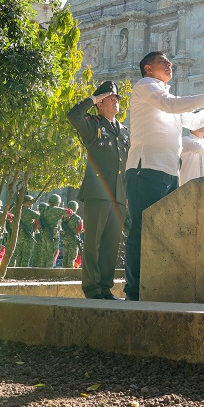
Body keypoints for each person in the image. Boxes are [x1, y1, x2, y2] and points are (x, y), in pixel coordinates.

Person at [124, 51, 204, 301]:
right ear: (148, 68)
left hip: (170, 171)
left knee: (163, 229)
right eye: (163, 61)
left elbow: (191, 121)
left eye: (169, 61)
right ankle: (134, 290)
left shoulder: (165, 94)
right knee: (142, 229)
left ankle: (155, 285)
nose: (169, 64)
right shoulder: (145, 86)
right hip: (146, 168)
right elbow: (170, 105)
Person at [67, 80, 130, 297]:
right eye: (109, 98)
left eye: (116, 98)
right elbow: (73, 115)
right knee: (93, 242)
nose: (115, 101)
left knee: (111, 244)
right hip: (98, 193)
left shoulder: (124, 131)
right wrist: (93, 99)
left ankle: (105, 287)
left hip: (118, 194)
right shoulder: (92, 125)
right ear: (100, 103)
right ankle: (92, 287)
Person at [34, 194, 64, 268]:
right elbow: (69, 213)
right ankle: (48, 270)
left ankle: (42, 270)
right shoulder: (56, 209)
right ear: (57, 202)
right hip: (53, 235)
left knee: (44, 253)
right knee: (52, 253)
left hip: (44, 234)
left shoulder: (44, 210)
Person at [10, 196, 38, 268]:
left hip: (17, 237)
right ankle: (23, 272)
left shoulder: (14, 210)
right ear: (29, 203)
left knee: (18, 257)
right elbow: (39, 216)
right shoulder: (30, 212)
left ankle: (17, 271)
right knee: (26, 257)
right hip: (28, 237)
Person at [60, 201, 84, 269]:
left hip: (65, 239)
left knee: (65, 256)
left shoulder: (63, 217)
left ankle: (63, 270)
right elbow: (80, 229)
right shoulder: (77, 218)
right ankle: (70, 271)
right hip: (73, 239)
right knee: (72, 257)